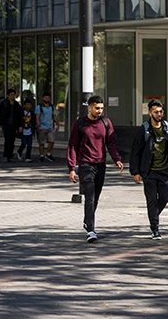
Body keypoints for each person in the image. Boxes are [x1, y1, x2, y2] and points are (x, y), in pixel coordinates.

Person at [67, 95, 123, 243]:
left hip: (100, 165)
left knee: (96, 198)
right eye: (97, 108)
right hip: (85, 165)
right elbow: (72, 145)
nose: (99, 111)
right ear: (90, 107)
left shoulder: (105, 123)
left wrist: (116, 158)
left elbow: (111, 142)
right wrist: (72, 167)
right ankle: (91, 230)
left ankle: (87, 220)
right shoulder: (80, 124)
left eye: (101, 108)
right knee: (89, 197)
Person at [129, 100, 168, 239]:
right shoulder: (144, 129)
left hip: (166, 171)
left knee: (165, 198)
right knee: (151, 200)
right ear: (150, 112)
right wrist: (136, 172)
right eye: (156, 112)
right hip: (149, 171)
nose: (159, 114)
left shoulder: (167, 127)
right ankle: (155, 229)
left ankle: (153, 215)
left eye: (161, 111)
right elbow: (136, 151)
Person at [0, 89, 21, 163]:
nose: (13, 96)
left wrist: (20, 126)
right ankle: (5, 155)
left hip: (14, 125)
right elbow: (0, 115)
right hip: (6, 124)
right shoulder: (4, 104)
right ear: (8, 96)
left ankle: (10, 155)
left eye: (14, 94)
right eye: (11, 95)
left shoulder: (17, 105)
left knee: (12, 141)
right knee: (8, 140)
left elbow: (20, 116)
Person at [35, 93, 59, 162]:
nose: (47, 99)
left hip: (50, 126)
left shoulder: (51, 106)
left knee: (51, 141)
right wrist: (39, 125)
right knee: (41, 143)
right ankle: (41, 155)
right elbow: (37, 117)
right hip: (42, 126)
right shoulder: (39, 107)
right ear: (43, 98)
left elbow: (54, 116)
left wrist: (57, 124)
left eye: (48, 98)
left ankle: (48, 154)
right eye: (46, 98)